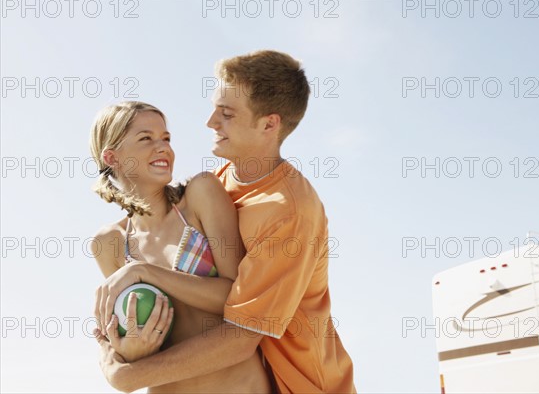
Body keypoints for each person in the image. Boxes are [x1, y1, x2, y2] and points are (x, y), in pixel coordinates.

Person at [95, 51, 356, 393]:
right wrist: (115, 358)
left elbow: (241, 335)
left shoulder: (288, 212)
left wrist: (126, 376)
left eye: (227, 113)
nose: (210, 122)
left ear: (269, 124)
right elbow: (123, 328)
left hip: (300, 385)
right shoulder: (216, 183)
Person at [89, 101, 271, 393]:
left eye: (166, 138)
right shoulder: (109, 243)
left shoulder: (200, 194)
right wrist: (130, 348)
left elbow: (238, 301)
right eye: (146, 138)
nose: (163, 147)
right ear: (113, 157)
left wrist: (146, 272)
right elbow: (124, 342)